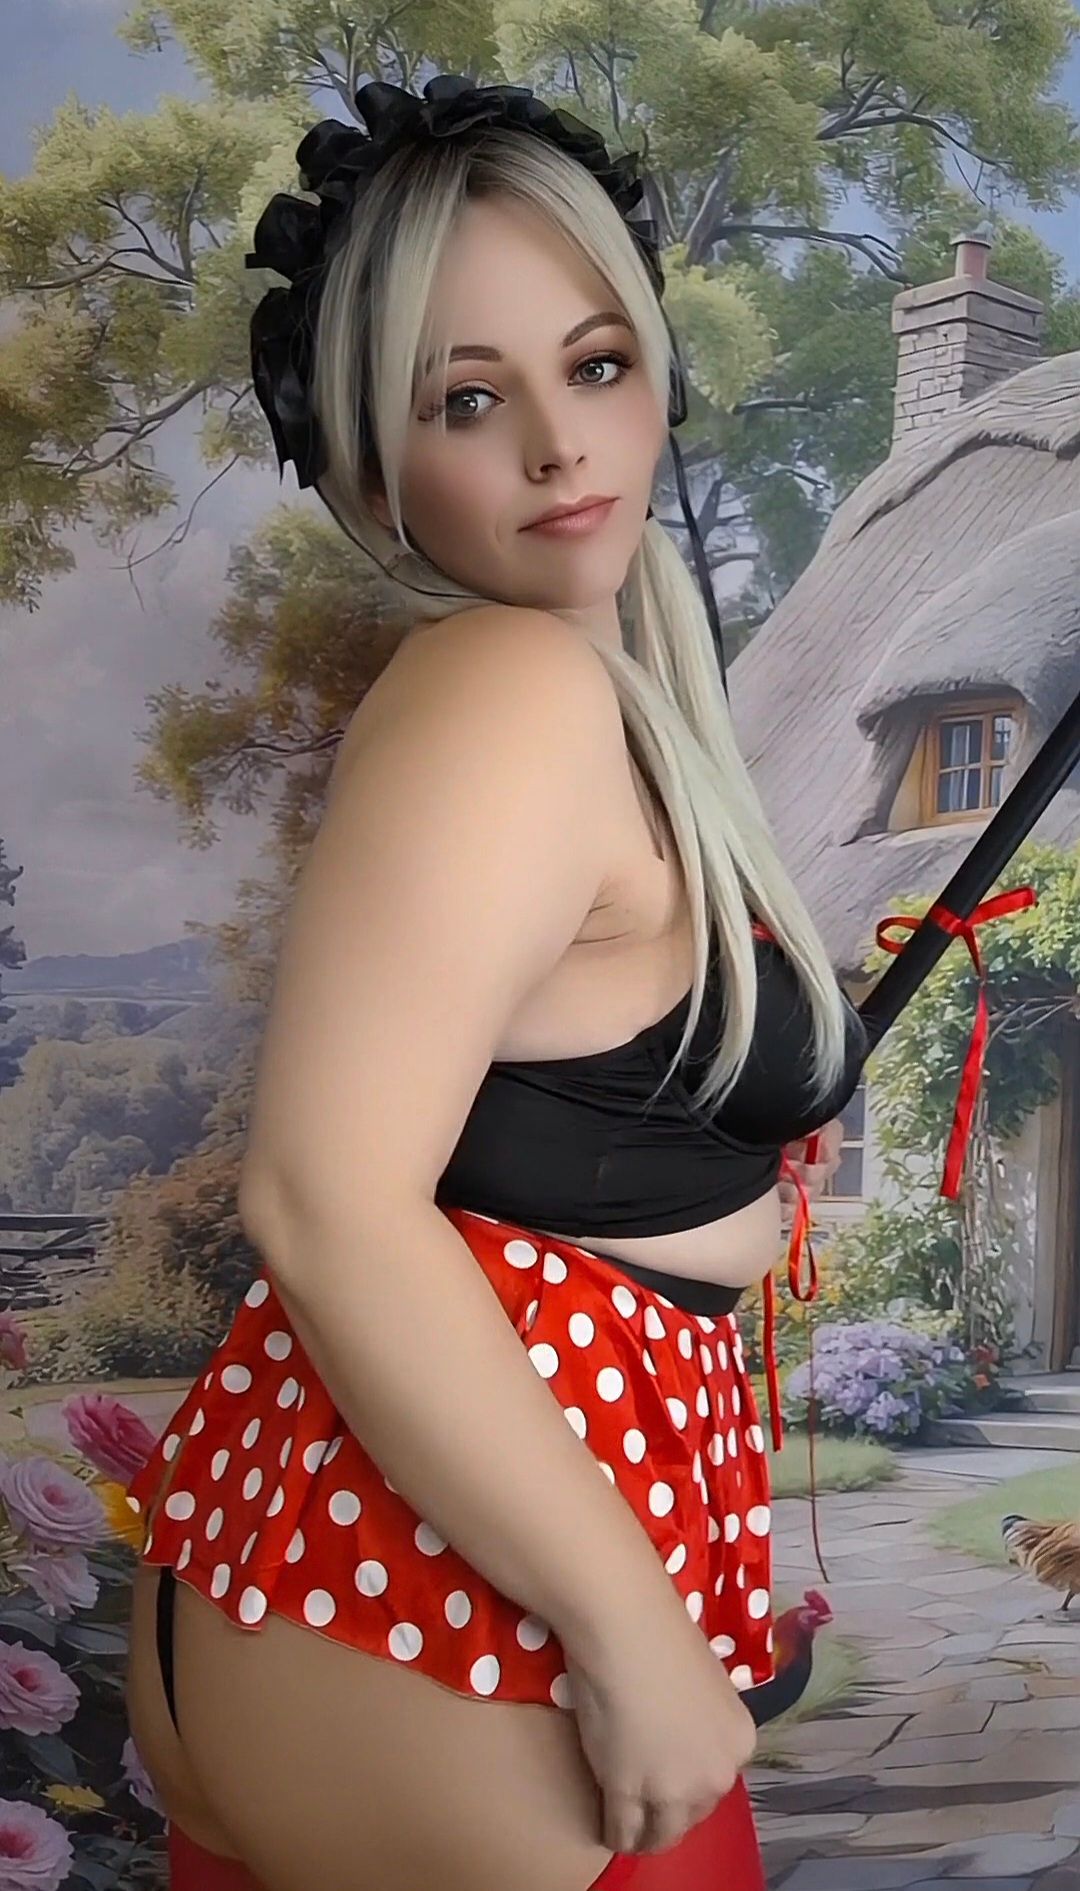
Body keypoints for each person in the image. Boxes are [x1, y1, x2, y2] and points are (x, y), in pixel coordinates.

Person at [123, 76, 867, 1891]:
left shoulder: (601, 697)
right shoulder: (509, 693)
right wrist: (626, 1629)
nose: (558, 444)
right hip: (454, 1593)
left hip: (368, 1560)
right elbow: (320, 1195)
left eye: (595, 365)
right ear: (374, 471)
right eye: (469, 398)